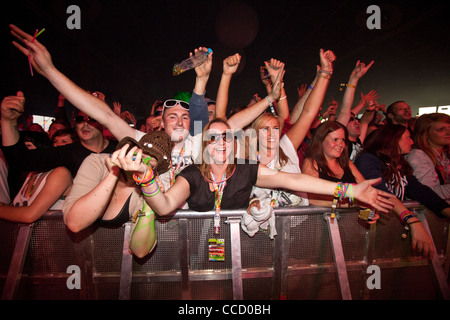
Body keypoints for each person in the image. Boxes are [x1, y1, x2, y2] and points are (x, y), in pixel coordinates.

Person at [119, 118, 394, 232]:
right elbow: (164, 206)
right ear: (204, 146)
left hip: (243, 246)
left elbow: (294, 180)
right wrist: (146, 177)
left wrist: (350, 191)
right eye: (212, 137)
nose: (221, 142)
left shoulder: (247, 169)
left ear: (234, 143)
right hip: (198, 244)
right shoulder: (191, 174)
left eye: (226, 137)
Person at [63, 131, 172, 258]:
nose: (138, 164)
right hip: (68, 253)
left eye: (150, 164)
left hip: (108, 259)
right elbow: (75, 223)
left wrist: (150, 203)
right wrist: (113, 174)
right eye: (139, 157)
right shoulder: (98, 162)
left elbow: (140, 250)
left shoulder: (146, 189)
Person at [355, 124, 450, 258]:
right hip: (367, 230)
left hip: (388, 229)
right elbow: (382, 193)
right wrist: (412, 221)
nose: (412, 142)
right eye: (408, 137)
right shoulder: (368, 159)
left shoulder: (399, 163)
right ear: (394, 140)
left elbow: (420, 191)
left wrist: (447, 211)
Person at [0, 130, 72, 223]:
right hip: (26, 236)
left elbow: (29, 216)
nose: (24, 153)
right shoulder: (31, 174)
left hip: (50, 236)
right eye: (22, 148)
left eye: (28, 146)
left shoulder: (61, 174)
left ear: (41, 150)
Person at [302, 121, 366, 207]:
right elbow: (311, 198)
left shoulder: (346, 162)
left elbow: (365, 190)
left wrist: (370, 210)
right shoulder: (311, 163)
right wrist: (349, 204)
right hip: (323, 218)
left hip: (349, 218)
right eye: (335, 139)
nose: (341, 144)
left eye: (343, 140)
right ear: (321, 141)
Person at [406, 113, 450, 199]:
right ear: (425, 134)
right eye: (441, 129)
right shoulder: (417, 156)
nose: (448, 132)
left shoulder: (445, 154)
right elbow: (427, 192)